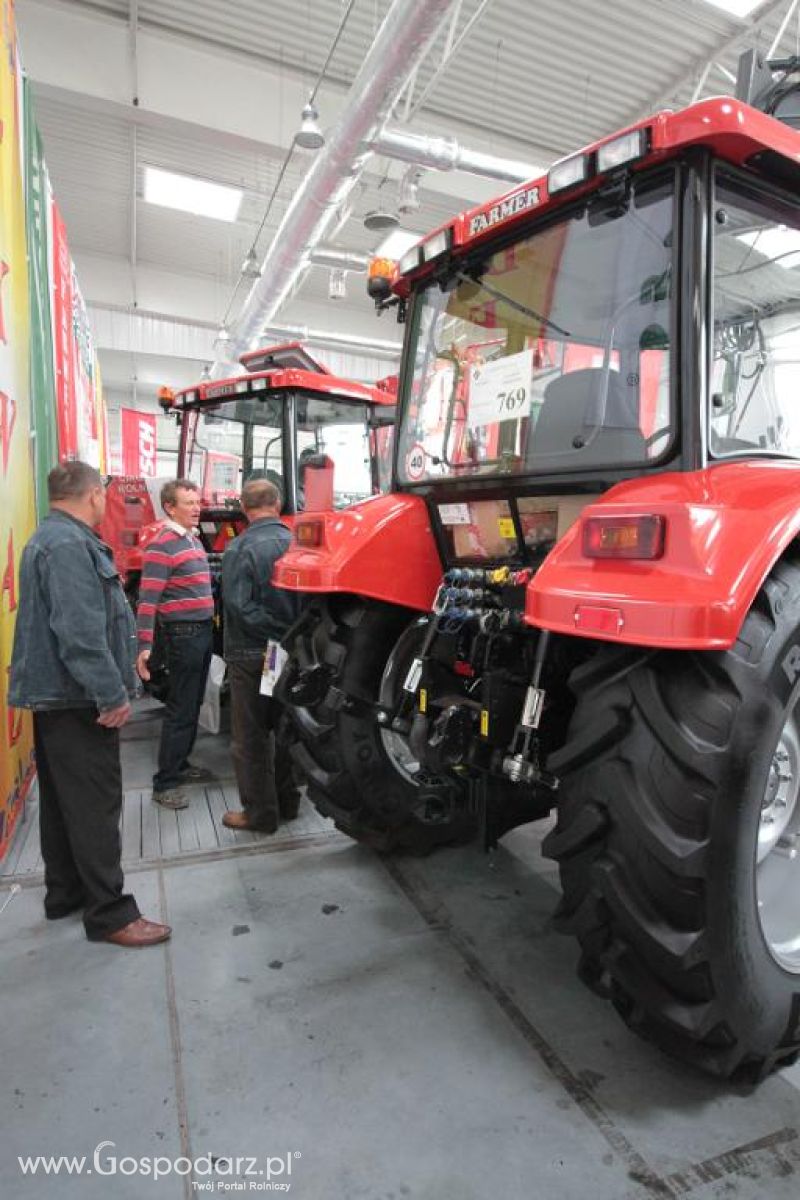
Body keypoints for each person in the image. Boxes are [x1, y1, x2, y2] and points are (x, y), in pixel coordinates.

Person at [9, 461, 170, 948]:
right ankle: (110, 914)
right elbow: (80, 634)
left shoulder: (50, 539)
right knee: (97, 806)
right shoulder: (69, 545)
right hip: (79, 698)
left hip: (61, 697)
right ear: (93, 495)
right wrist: (110, 693)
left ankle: (66, 894)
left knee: (64, 805)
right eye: (103, 494)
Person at [221, 479, 302, 833]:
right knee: (285, 726)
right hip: (285, 655)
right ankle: (288, 802)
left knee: (251, 736)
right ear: (279, 503)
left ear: (243, 507)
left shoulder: (239, 549)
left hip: (254, 654)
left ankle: (259, 814)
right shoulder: (297, 543)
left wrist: (272, 632)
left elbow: (239, 607)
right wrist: (288, 635)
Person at [136, 479, 214, 810]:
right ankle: (165, 783)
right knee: (181, 708)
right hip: (183, 635)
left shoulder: (191, 540)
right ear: (170, 507)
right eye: (189, 503)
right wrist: (144, 645)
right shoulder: (162, 545)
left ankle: (180, 765)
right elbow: (147, 600)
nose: (197, 508)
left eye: (197, 502)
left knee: (192, 704)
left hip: (200, 632)